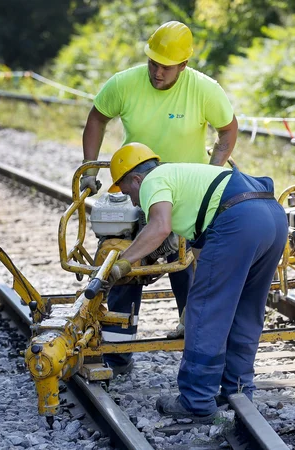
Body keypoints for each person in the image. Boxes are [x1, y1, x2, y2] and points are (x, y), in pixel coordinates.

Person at [80, 21, 239, 374]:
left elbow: (228, 129)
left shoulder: (204, 90)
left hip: (186, 196)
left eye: (166, 66)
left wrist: (213, 169)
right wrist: (90, 168)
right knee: (127, 264)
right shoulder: (124, 83)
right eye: (153, 62)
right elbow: (96, 119)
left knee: (187, 265)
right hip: (138, 192)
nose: (157, 71)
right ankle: (118, 352)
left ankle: (196, 340)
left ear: (184, 65)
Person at [105, 142, 287, 423]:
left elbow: (159, 226)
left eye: (128, 192)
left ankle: (196, 400)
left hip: (238, 220)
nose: (132, 201)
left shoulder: (154, 180)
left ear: (137, 179)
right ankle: (237, 392)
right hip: (272, 217)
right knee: (245, 310)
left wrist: (122, 263)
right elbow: (201, 254)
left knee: (205, 311)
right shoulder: (186, 177)